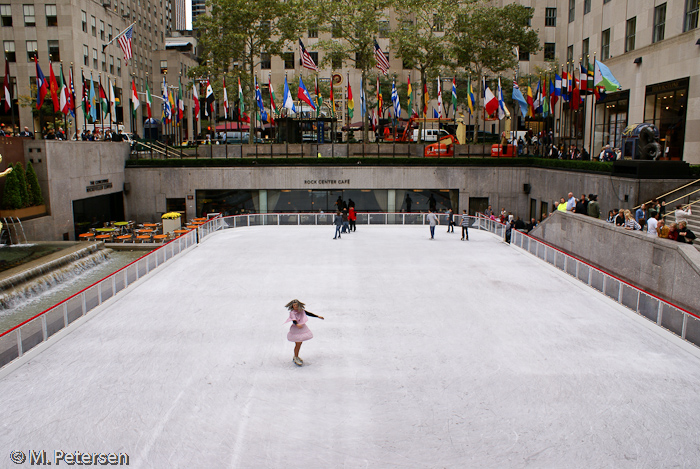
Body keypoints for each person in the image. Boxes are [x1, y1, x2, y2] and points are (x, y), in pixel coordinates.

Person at [284, 299, 324, 366]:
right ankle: (295, 357)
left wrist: (317, 316)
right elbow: (293, 319)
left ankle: (296, 356)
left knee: (299, 343)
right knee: (298, 343)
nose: (295, 306)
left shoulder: (301, 311)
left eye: (296, 305)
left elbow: (308, 313)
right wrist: (297, 324)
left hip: (301, 328)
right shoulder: (292, 313)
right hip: (296, 329)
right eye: (294, 305)